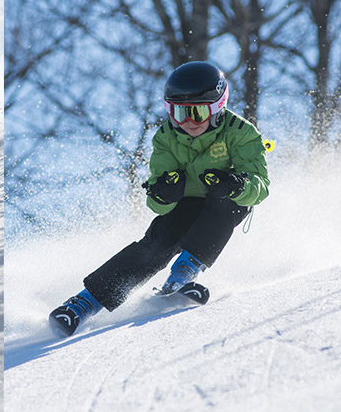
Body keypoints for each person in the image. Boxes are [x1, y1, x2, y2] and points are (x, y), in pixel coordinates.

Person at [49, 61, 271, 337]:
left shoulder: (241, 132)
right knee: (159, 241)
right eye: (178, 113)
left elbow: (260, 187)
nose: (187, 122)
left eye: (197, 113)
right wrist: (164, 194)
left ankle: (183, 274)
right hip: (186, 202)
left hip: (226, 200)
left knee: (225, 205)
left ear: (217, 108)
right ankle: (84, 304)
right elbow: (156, 203)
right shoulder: (166, 137)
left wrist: (236, 185)